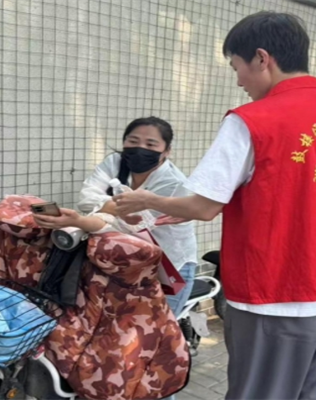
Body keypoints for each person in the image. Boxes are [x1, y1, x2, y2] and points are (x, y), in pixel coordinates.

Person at [113, 12, 316, 400]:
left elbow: (204, 207)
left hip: (280, 289)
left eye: (237, 67)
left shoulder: (252, 120)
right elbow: (301, 190)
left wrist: (146, 199)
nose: (239, 81)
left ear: (261, 58)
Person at [34, 116, 198, 334]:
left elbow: (132, 225)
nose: (140, 148)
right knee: (122, 333)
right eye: (133, 141)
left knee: (159, 333)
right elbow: (86, 199)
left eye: (151, 144)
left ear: (166, 151)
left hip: (169, 263)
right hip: (127, 259)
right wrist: (117, 208)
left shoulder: (173, 182)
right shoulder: (115, 162)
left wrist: (83, 219)